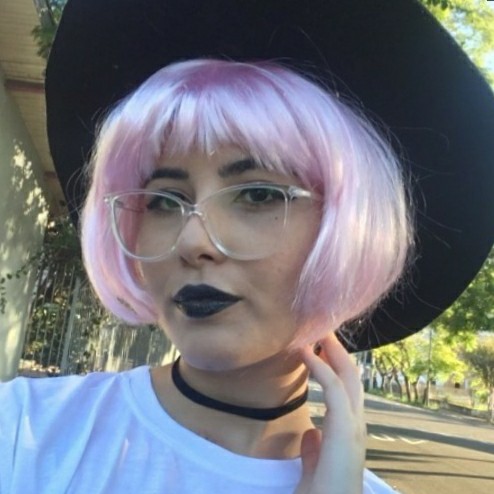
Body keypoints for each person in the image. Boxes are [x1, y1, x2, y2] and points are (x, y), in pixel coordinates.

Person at [2, 0, 494, 493]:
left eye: (258, 195)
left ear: (349, 225)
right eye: (163, 201)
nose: (192, 241)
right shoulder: (25, 430)